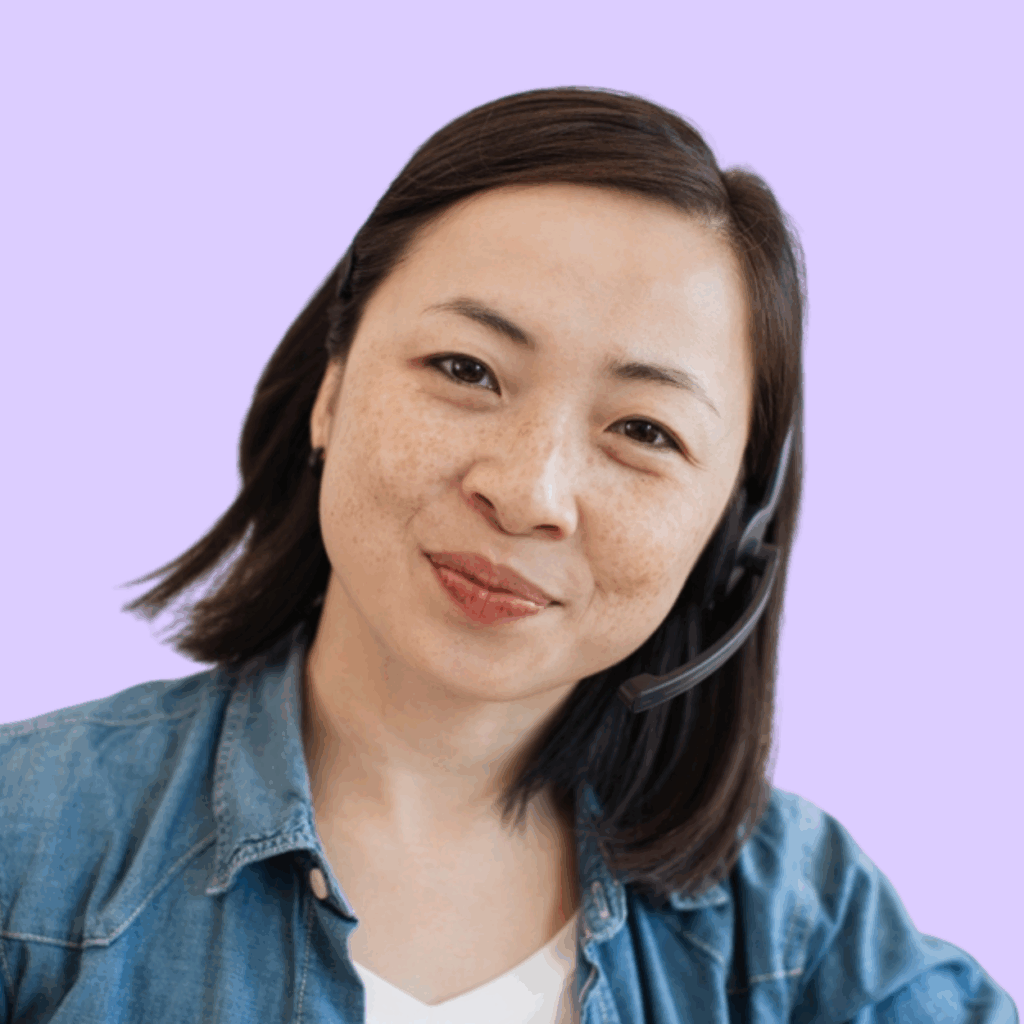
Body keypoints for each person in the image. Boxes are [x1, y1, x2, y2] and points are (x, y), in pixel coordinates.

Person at [0, 86, 1016, 1024]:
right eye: (465, 368)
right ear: (329, 388)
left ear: (730, 532)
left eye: (645, 431)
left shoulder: (802, 923)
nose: (528, 492)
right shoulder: (29, 840)